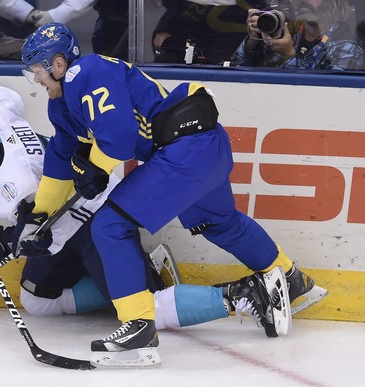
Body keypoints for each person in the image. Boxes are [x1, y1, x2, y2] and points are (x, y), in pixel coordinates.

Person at [19, 22, 326, 365]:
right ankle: (290, 278)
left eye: (37, 71)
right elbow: (61, 160)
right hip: (201, 145)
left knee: (108, 226)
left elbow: (118, 138)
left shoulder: (85, 72)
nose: (37, 81)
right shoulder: (62, 105)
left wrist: (93, 166)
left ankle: (138, 327)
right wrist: (39, 217)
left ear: (58, 64)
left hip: (183, 149)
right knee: (219, 223)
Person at [231, 0, 364, 70]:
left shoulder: (347, 47)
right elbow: (234, 70)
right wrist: (253, 41)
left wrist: (288, 55)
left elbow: (327, 97)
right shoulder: (286, 31)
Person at [152, 0, 269, 65]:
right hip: (190, 77)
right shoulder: (183, 7)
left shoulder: (257, 8)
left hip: (243, 78)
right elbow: (160, 40)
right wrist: (173, 43)